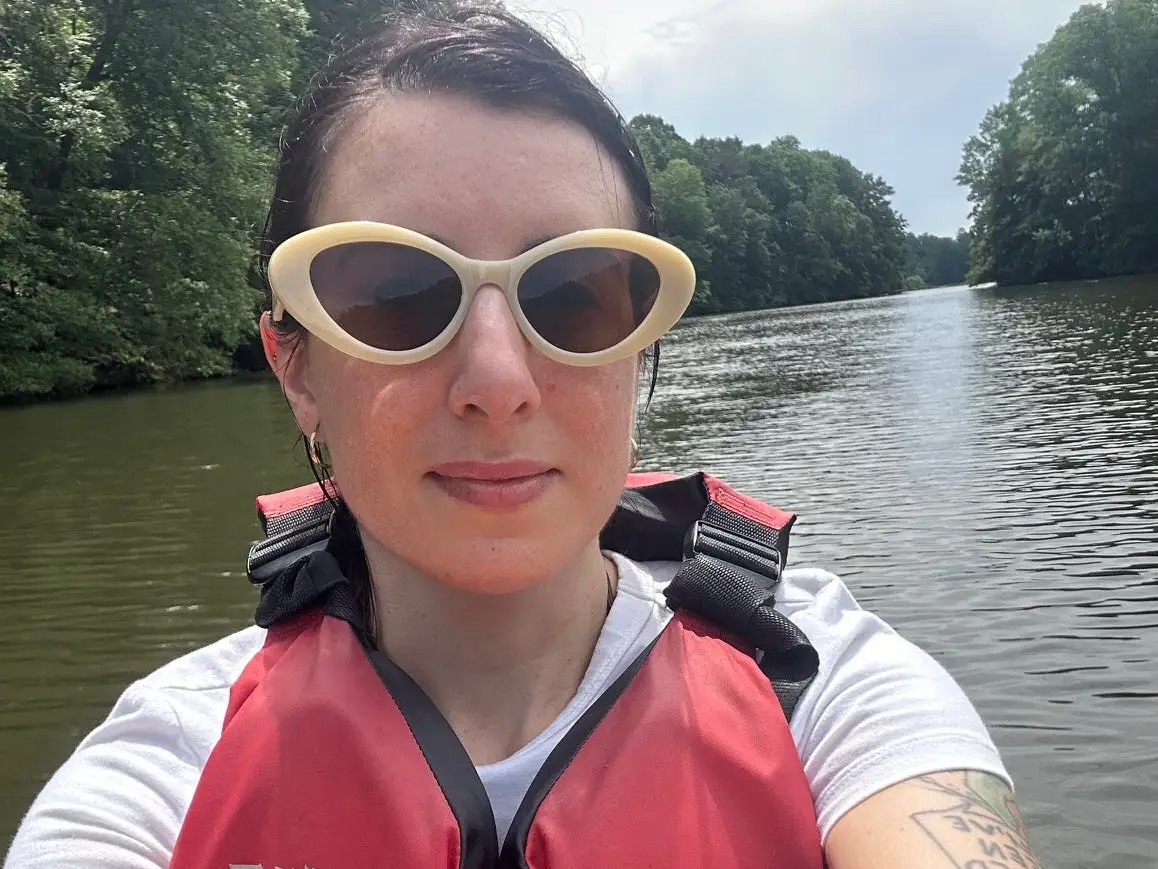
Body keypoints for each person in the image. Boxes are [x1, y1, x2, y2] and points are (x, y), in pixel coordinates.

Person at [4, 4, 1044, 868]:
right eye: (398, 291)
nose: (497, 381)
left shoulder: (818, 681)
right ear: (297, 369)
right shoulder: (166, 767)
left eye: (574, 293)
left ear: (638, 351)